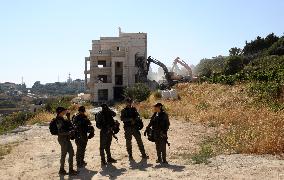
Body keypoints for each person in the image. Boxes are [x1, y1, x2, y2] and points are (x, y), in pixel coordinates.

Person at [55, 107, 78, 176]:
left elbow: (68, 125)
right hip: (62, 139)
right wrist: (69, 132)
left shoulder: (62, 118)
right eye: (64, 111)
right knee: (64, 154)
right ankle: (61, 170)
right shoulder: (58, 120)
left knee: (71, 153)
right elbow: (60, 132)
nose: (65, 112)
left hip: (66, 138)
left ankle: (71, 170)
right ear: (60, 112)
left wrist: (68, 117)